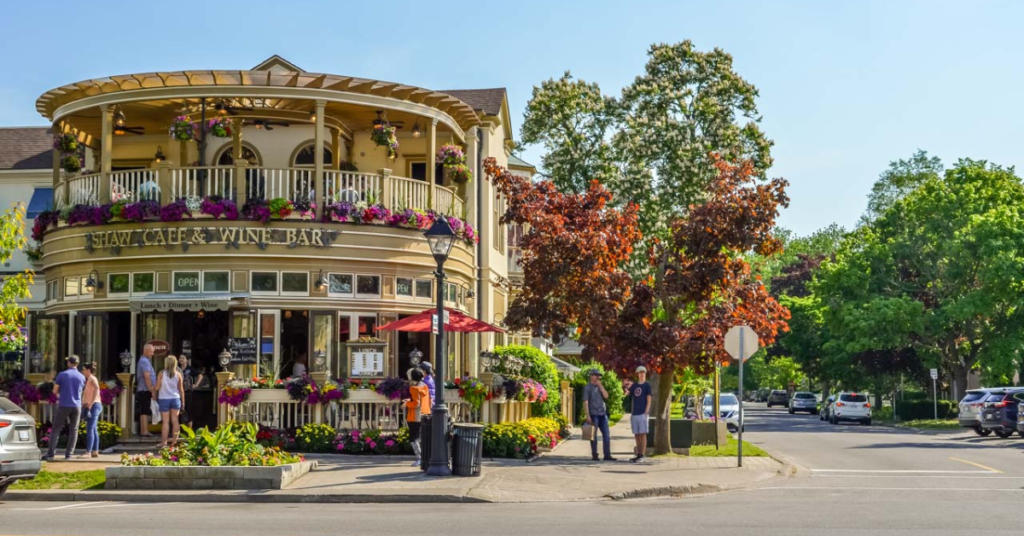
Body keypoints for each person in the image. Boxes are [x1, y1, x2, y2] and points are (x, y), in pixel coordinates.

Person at [43, 356, 85, 461]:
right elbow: (81, 391)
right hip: (77, 405)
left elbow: (55, 391)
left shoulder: (62, 374)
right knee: (74, 430)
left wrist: (59, 396)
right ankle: (69, 454)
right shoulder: (82, 376)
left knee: (56, 428)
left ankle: (51, 453)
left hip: (64, 404)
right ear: (77, 364)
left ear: (69, 363)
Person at [582, 369, 615, 461]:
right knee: (593, 435)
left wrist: (601, 386)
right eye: (596, 375)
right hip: (593, 414)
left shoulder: (600, 387)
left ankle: (607, 455)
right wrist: (587, 415)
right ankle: (594, 454)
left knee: (606, 434)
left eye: (598, 375)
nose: (597, 377)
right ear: (591, 376)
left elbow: (606, 396)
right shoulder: (587, 388)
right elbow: (585, 402)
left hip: (602, 414)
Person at [155, 355, 185, 448]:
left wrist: (152, 388)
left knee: (165, 422)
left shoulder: (161, 373)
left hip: (164, 399)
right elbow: (181, 389)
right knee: (175, 421)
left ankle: (164, 443)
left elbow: (157, 387)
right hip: (175, 398)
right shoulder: (178, 374)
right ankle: (174, 442)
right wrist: (183, 402)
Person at [404, 367, 432, 467]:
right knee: (421, 437)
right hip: (425, 413)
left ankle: (420, 457)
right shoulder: (424, 386)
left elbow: (416, 403)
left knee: (413, 438)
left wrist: (407, 403)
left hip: (415, 416)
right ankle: (424, 457)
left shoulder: (414, 388)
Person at [629, 366, 652, 463]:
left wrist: (646, 411)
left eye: (643, 373)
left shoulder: (647, 385)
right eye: (640, 372)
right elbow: (630, 396)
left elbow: (649, 399)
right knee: (637, 435)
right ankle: (638, 454)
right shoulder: (634, 385)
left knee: (642, 434)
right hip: (634, 413)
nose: (642, 374)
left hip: (643, 413)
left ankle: (642, 454)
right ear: (637, 374)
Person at [79, 362, 102, 458]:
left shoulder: (92, 378)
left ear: (88, 370)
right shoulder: (89, 379)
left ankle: (88, 451)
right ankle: (95, 451)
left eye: (83, 369)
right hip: (94, 405)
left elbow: (97, 388)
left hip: (94, 405)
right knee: (94, 429)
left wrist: (91, 402)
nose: (82, 371)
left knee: (90, 428)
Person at [136, 344, 157, 437]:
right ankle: (144, 431)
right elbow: (147, 377)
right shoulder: (144, 361)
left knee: (144, 410)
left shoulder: (145, 360)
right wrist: (151, 389)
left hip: (144, 389)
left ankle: (144, 430)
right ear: (146, 350)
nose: (152, 354)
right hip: (145, 389)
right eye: (151, 351)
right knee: (145, 410)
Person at [177, 355, 196, 430]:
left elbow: (200, 375)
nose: (181, 359)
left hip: (187, 392)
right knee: (178, 410)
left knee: (188, 409)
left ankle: (189, 430)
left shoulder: (190, 369)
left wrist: (196, 384)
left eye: (183, 358)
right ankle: (178, 429)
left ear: (187, 360)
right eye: (180, 358)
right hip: (178, 392)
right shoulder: (177, 369)